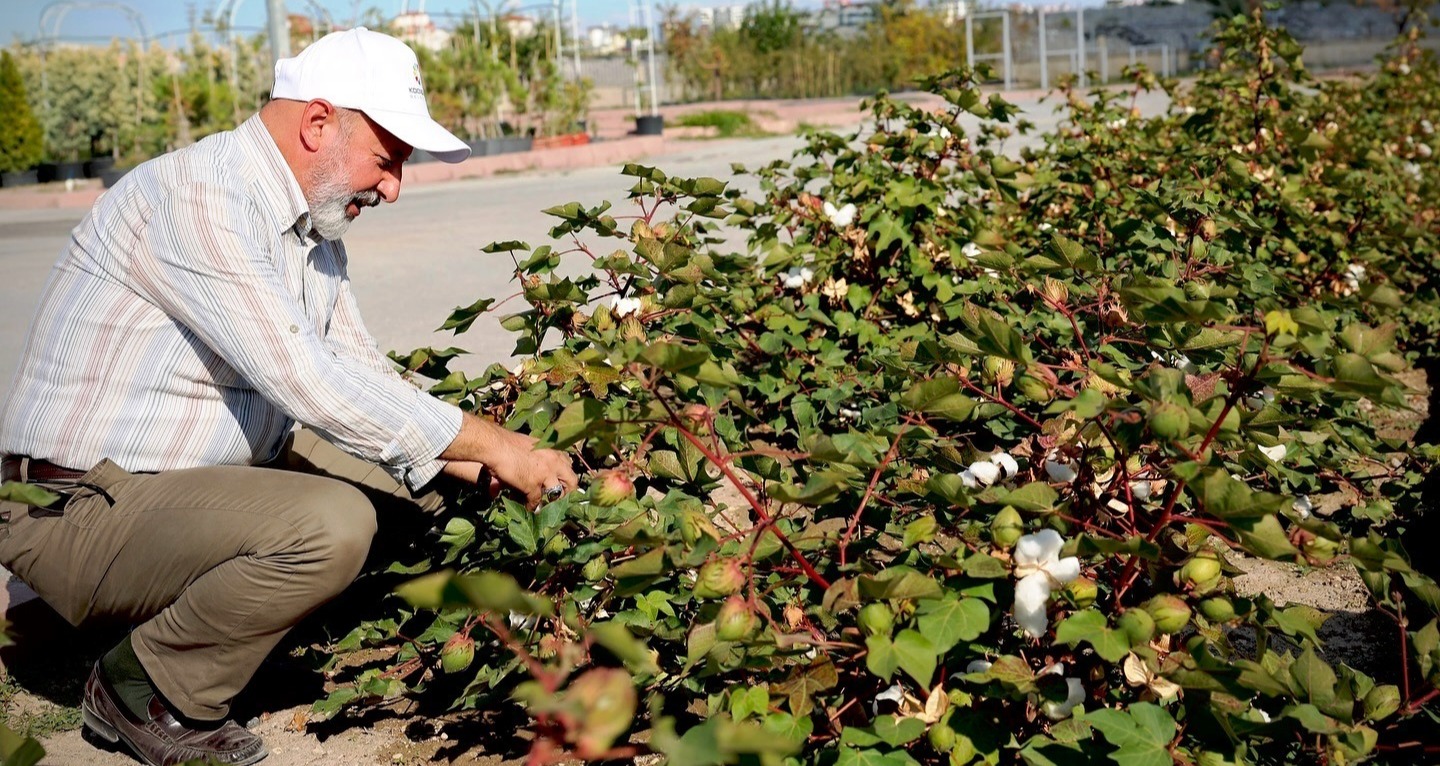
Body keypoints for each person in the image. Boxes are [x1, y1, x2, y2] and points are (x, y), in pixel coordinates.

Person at [0, 28, 576, 766]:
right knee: (330, 526)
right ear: (317, 124)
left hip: (183, 484)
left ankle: (243, 626)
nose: (394, 186)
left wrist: (494, 462)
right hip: (76, 507)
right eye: (388, 158)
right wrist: (491, 443)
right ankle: (145, 688)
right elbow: (309, 381)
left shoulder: (310, 231)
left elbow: (364, 373)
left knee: (419, 497)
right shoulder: (200, 197)